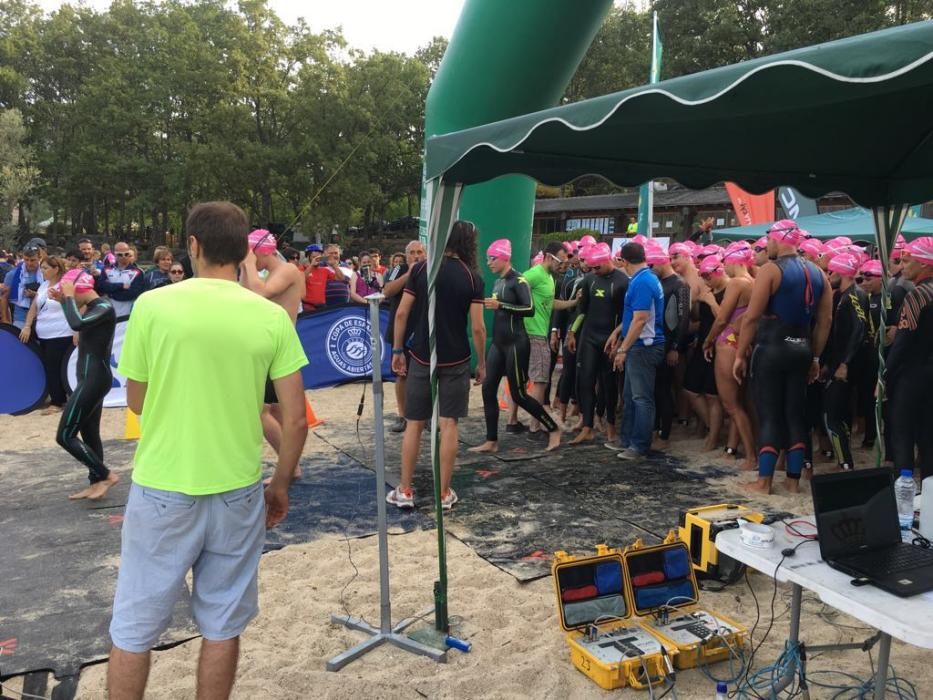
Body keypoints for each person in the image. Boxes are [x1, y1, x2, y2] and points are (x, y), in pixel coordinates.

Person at [107, 201, 308, 700]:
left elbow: (136, 400)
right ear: (244, 252)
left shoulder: (154, 306)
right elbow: (297, 418)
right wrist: (279, 485)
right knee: (221, 625)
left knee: (133, 627)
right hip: (237, 491)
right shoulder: (268, 316)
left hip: (163, 486)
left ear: (192, 246)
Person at [387, 220, 486, 511]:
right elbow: (478, 328)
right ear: (469, 243)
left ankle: (405, 490)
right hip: (456, 357)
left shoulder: (420, 269)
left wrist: (397, 349)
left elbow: (402, 313)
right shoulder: (472, 278)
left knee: (414, 423)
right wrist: (482, 362)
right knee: (448, 423)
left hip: (421, 355)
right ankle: (443, 494)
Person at [733, 220, 833, 495]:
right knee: (795, 414)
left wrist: (740, 354)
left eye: (770, 242)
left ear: (777, 240)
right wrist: (815, 358)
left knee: (769, 415)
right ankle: (792, 480)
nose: (768, 246)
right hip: (801, 349)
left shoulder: (770, 269)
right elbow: (825, 321)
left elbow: (752, 317)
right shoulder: (819, 273)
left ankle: (764, 481)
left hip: (772, 347)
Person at [470, 239, 561, 454]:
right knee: (487, 389)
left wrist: (501, 305)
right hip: (499, 344)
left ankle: (553, 428)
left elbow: (529, 308)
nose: (489, 263)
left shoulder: (518, 281)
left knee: (519, 394)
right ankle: (491, 440)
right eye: (487, 258)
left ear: (504, 258)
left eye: (492, 258)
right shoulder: (497, 282)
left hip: (516, 344)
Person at [239, 229, 307, 480]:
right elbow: (247, 297)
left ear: (259, 251)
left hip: (278, 347)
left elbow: (260, 295)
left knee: (260, 411)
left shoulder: (287, 270)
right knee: (277, 411)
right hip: (268, 346)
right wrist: (247, 268)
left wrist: (248, 264)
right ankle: (292, 467)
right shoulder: (269, 273)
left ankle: (288, 468)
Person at [47, 269, 119, 500]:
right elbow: (77, 319)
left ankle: (106, 475)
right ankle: (96, 482)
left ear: (80, 289)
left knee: (65, 436)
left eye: (71, 292)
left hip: (95, 379)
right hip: (88, 378)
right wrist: (64, 299)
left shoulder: (104, 307)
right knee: (90, 434)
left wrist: (67, 298)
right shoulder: (91, 308)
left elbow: (76, 324)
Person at [702, 243, 757, 470]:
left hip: (728, 344)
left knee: (731, 404)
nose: (725, 267)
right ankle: (736, 450)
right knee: (741, 402)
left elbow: (722, 319)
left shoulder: (737, 283)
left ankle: (751, 456)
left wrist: (708, 340)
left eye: (726, 262)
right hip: (744, 344)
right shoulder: (756, 283)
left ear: (736, 261)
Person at [609, 243, 666, 460]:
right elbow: (635, 317)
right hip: (640, 344)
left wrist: (623, 348)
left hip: (645, 346)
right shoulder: (644, 278)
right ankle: (628, 441)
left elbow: (641, 319)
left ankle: (639, 446)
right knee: (631, 396)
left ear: (624, 261)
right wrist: (619, 333)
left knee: (641, 398)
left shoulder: (643, 281)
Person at [567, 242, 627, 444]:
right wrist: (572, 333)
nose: (593, 271)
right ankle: (587, 426)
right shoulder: (590, 280)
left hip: (610, 338)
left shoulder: (622, 281)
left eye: (597, 267)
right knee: (585, 380)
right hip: (590, 337)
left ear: (607, 261)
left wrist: (620, 341)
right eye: (591, 268)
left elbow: (626, 316)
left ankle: (610, 426)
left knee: (608, 384)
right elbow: (582, 311)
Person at [886, 237, 933, 479]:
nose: (903, 266)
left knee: (902, 434)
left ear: (925, 264)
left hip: (913, 374)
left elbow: (903, 342)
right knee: (928, 437)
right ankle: (928, 489)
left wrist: (885, 377)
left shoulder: (918, 295)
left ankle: (903, 484)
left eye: (908, 260)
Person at [820, 252, 871, 471]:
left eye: (832, 271)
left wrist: (845, 364)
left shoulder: (854, 296)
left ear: (842, 273)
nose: (829, 275)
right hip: (837, 362)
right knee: (838, 414)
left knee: (831, 415)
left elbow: (860, 330)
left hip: (846, 365)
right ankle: (844, 459)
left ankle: (845, 462)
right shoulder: (840, 296)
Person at [511, 241, 567, 432]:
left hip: (533, 332)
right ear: (550, 257)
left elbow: (550, 303)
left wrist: (573, 302)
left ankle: (513, 421)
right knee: (540, 380)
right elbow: (515, 288)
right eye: (560, 262)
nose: (562, 266)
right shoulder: (534, 274)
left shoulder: (550, 278)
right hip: (533, 334)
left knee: (521, 379)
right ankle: (534, 426)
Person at [646, 245, 689, 451]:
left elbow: (683, 319)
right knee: (654, 389)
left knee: (663, 390)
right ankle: (654, 429)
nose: (650, 269)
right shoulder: (658, 282)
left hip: (668, 342)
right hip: (655, 341)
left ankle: (665, 435)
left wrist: (675, 348)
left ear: (661, 262)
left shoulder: (680, 284)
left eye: (652, 265)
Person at [383, 240, 426, 433]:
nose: (416, 256)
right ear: (406, 255)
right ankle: (402, 415)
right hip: (401, 329)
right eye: (413, 252)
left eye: (420, 252)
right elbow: (387, 290)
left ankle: (426, 416)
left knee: (426, 374)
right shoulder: (398, 269)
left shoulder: (429, 269)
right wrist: (409, 274)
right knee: (401, 375)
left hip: (422, 328)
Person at [19, 256, 72, 413]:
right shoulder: (43, 286)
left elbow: (77, 306)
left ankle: (58, 401)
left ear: (56, 269)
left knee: (57, 367)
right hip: (45, 333)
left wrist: (77, 330)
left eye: (46, 268)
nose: (42, 271)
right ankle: (58, 397)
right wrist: (27, 326)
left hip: (62, 332)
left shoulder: (65, 285)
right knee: (50, 366)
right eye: (42, 268)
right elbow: (34, 308)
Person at [688, 257, 725, 449]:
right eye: (702, 276)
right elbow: (699, 320)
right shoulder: (709, 291)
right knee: (690, 389)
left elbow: (724, 320)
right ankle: (712, 429)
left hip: (719, 346)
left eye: (707, 276)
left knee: (712, 395)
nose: (705, 279)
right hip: (703, 344)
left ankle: (714, 436)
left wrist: (710, 302)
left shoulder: (729, 290)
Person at [93, 241, 144, 317]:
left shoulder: (138, 272)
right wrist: (121, 286)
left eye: (126, 254)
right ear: (114, 254)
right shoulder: (106, 269)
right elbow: (102, 287)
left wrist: (111, 293)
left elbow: (133, 293)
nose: (123, 256)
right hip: (110, 313)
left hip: (128, 314)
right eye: (120, 254)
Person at [4, 245, 43, 329]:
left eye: (33, 260)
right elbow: (4, 297)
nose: (29, 263)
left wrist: (36, 296)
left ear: (39, 258)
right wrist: (5, 319)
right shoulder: (13, 275)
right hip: (21, 317)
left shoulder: (46, 273)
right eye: (26, 260)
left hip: (42, 315)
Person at [301, 244, 328, 311]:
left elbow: (340, 278)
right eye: (314, 257)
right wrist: (311, 265)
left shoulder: (324, 270)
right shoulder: (302, 269)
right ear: (308, 257)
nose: (316, 259)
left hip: (321, 307)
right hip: (307, 306)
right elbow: (301, 279)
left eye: (318, 257)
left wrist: (334, 265)